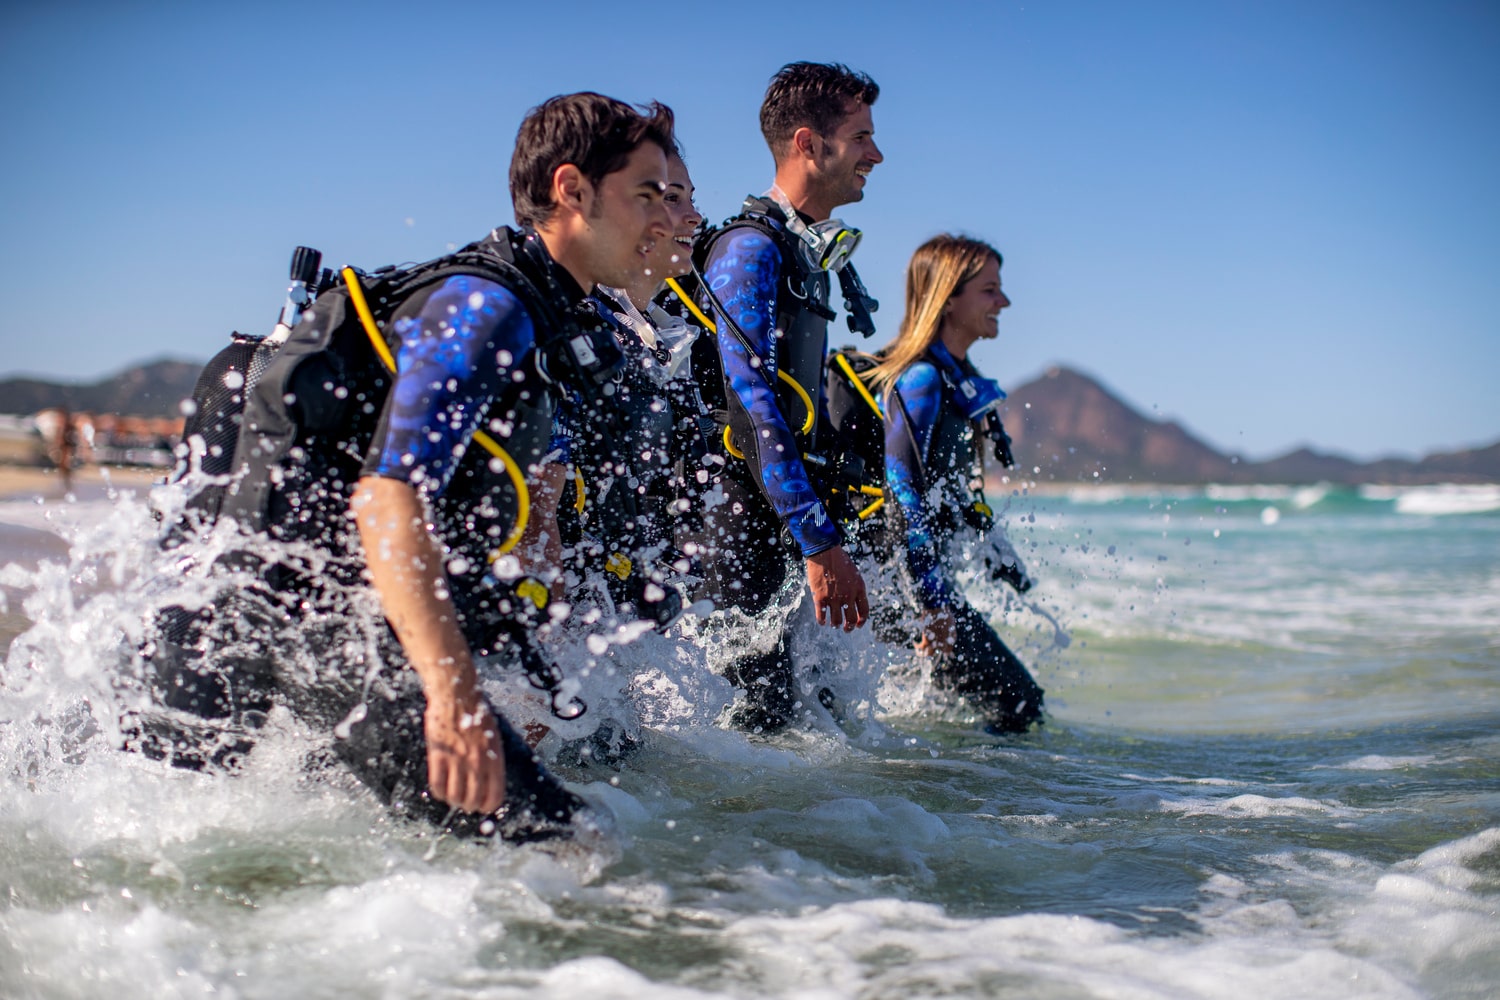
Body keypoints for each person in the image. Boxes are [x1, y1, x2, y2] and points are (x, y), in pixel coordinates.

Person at [131, 93, 677, 841]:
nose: (668, 219)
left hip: (300, 622)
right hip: (274, 626)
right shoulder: (488, 306)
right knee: (566, 844)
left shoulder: (533, 307)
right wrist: (454, 697)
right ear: (572, 190)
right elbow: (387, 499)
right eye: (647, 194)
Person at [686, 62, 882, 731]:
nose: (876, 154)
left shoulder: (807, 256)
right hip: (732, 526)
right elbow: (750, 402)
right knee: (756, 731)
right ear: (807, 143)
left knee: (795, 729)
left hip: (772, 522)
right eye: (861, 138)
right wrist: (818, 542)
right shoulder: (750, 248)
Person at [863, 234, 1044, 733]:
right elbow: (904, 498)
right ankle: (988, 808)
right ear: (948, 297)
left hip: (914, 585)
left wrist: (997, 554)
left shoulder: (960, 381)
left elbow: (950, 495)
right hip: (894, 586)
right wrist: (932, 606)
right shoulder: (921, 380)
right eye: (989, 290)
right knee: (1019, 706)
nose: (1003, 302)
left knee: (969, 712)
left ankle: (943, 801)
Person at [533, 147, 707, 631]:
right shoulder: (583, 333)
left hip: (619, 616)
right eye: (670, 197)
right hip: (564, 638)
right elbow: (535, 519)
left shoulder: (665, 334)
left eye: (690, 198)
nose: (694, 216)